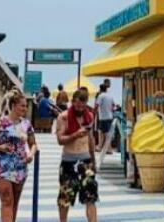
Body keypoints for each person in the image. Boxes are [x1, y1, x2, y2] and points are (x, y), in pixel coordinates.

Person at [0, 91, 37, 222]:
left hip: (20, 165)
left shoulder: (26, 124)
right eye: (22, 105)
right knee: (7, 200)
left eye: (26, 106)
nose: (25, 108)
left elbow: (33, 144)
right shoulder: (1, 122)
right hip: (2, 166)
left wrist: (31, 155)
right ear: (13, 105)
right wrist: (0, 147)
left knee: (14, 202)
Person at [56, 90, 98, 222]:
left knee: (90, 196)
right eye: (77, 105)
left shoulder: (89, 116)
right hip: (69, 160)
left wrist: (93, 160)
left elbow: (91, 139)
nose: (79, 108)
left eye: (82, 106)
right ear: (73, 102)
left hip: (85, 160)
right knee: (65, 198)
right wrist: (75, 135)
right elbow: (60, 139)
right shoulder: (64, 117)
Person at [93, 81, 114, 164]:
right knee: (103, 132)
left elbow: (97, 105)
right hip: (110, 116)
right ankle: (101, 147)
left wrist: (93, 113)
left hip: (103, 117)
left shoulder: (101, 96)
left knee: (104, 133)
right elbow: (113, 106)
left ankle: (108, 149)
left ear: (100, 89)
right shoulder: (110, 96)